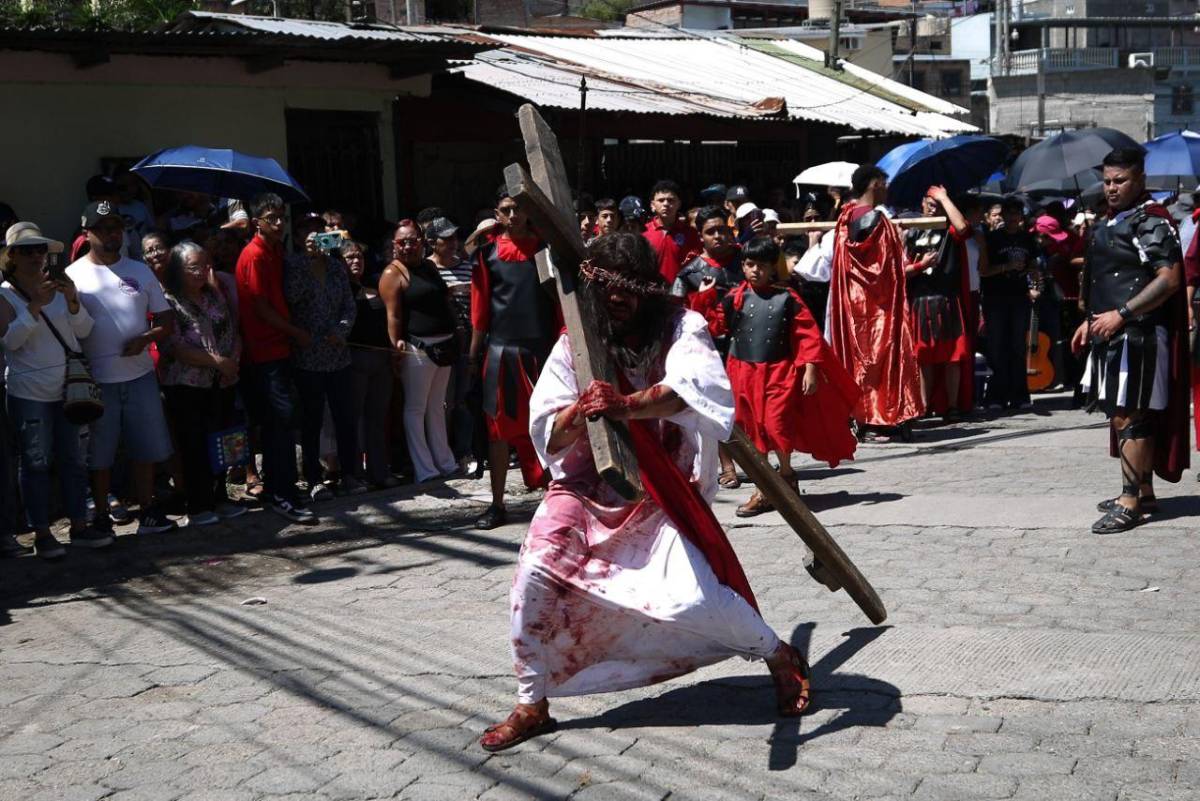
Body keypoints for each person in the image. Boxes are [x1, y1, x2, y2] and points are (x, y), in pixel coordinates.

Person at [479, 232, 811, 753]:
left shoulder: (684, 326)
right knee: (535, 574)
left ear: (651, 291)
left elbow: (693, 391)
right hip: (583, 488)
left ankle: (777, 654)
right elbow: (548, 430)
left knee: (691, 597)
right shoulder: (576, 342)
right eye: (608, 288)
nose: (618, 299)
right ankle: (532, 702)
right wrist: (579, 409)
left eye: (630, 290)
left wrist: (626, 404)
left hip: (660, 493)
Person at [691, 237, 859, 517]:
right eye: (749, 264)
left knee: (777, 424)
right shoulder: (734, 299)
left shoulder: (787, 298)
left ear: (773, 268)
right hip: (742, 372)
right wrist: (704, 297)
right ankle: (766, 487)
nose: (755, 270)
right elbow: (714, 327)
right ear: (743, 266)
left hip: (779, 371)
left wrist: (810, 367)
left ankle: (786, 474)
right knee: (752, 428)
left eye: (762, 265)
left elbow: (807, 335)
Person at [1072, 148, 1190, 534]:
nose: (1111, 188)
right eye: (1106, 181)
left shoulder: (1151, 221)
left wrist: (1122, 314)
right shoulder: (1114, 220)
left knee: (1131, 415)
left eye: (1119, 181)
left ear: (1139, 178)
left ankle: (1129, 503)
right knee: (1127, 413)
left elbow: (1169, 279)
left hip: (1137, 334)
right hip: (1112, 331)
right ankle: (1144, 491)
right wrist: (1089, 321)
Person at [65, 202, 178, 535]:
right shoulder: (74, 275)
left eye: (116, 227)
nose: (112, 234)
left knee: (146, 446)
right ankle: (101, 515)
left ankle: (148, 511)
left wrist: (146, 338)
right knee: (100, 453)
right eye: (103, 229)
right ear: (87, 233)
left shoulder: (140, 270)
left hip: (140, 374)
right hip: (97, 381)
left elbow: (166, 320)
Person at [0, 222, 110, 556]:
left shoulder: (62, 287)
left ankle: (79, 526)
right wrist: (34, 307)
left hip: (67, 389)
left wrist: (72, 299)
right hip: (28, 392)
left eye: (40, 250)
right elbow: (10, 343)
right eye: (27, 251)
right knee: (35, 462)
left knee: (73, 460)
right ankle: (42, 534)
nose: (36, 256)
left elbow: (85, 329)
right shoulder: (4, 293)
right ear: (12, 257)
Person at [469, 190, 557, 529]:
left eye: (519, 208)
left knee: (549, 427)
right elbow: (479, 311)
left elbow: (557, 302)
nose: (514, 214)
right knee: (498, 432)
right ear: (498, 213)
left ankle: (554, 500)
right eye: (507, 209)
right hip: (501, 352)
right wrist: (473, 356)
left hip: (541, 352)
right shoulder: (486, 255)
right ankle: (497, 503)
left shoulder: (544, 250)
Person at [235, 193, 316, 524]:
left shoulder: (277, 251)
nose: (280, 223)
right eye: (272, 218)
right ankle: (280, 493)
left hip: (281, 349)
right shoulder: (254, 255)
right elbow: (261, 308)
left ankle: (281, 488)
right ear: (257, 222)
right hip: (264, 352)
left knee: (282, 422)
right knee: (279, 422)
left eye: (282, 216)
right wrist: (295, 332)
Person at [828, 166, 923, 440]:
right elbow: (881, 268)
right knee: (875, 361)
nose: (887, 187)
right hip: (874, 306)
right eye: (885, 182)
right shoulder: (873, 219)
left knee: (863, 361)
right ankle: (873, 419)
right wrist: (899, 242)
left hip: (853, 303)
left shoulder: (845, 217)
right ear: (875, 184)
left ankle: (866, 416)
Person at [159, 242, 246, 526]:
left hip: (221, 382)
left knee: (223, 441)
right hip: (187, 385)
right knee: (193, 445)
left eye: (205, 265)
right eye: (193, 267)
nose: (201, 272)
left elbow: (232, 329)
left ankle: (221, 496)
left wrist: (232, 360)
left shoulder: (214, 296)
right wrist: (217, 362)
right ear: (178, 270)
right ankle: (199, 504)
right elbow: (175, 347)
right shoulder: (168, 301)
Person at [284, 230, 364, 499]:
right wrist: (308, 262)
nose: (317, 244)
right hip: (308, 356)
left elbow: (348, 306)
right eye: (311, 238)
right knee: (312, 419)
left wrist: (342, 331)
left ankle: (349, 474)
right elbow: (291, 299)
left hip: (338, 354)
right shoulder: (293, 265)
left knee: (345, 416)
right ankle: (314, 478)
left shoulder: (336, 267)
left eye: (322, 238)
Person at [380, 220, 459, 485]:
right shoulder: (393, 274)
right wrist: (395, 347)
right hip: (418, 349)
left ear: (422, 242)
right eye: (402, 242)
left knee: (437, 406)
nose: (408, 246)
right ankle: (425, 468)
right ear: (394, 245)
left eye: (412, 240)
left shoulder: (428, 266)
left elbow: (440, 296)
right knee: (415, 409)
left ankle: (445, 462)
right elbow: (393, 316)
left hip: (444, 345)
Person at [670, 205, 745, 488]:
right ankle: (727, 467)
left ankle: (760, 462)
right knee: (717, 407)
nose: (718, 236)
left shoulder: (746, 259)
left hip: (746, 344)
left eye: (722, 230)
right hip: (709, 348)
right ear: (700, 237)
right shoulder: (690, 272)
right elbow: (674, 311)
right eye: (711, 232)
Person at [902, 187, 974, 420]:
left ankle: (952, 406)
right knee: (923, 360)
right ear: (921, 203)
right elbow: (900, 272)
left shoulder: (949, 228)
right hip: (920, 300)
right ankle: (923, 406)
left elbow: (964, 228)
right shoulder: (911, 232)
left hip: (947, 299)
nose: (933, 204)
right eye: (929, 200)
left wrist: (944, 197)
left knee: (953, 356)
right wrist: (921, 265)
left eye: (937, 201)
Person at [344, 239, 397, 490]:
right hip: (355, 360)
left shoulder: (373, 284)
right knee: (354, 419)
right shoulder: (339, 290)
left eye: (359, 257)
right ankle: (354, 473)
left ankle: (379, 471)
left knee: (377, 419)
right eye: (350, 257)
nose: (356, 261)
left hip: (381, 359)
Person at [426, 217, 477, 469]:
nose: (452, 243)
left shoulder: (468, 267)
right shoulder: (426, 269)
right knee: (441, 401)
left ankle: (465, 451)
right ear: (431, 242)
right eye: (445, 238)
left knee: (464, 397)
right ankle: (441, 454)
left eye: (454, 237)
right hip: (441, 343)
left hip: (469, 341)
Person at [982, 198, 1037, 410]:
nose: (1013, 217)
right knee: (997, 346)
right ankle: (995, 395)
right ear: (1002, 215)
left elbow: (1034, 263)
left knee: (1017, 346)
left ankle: (1020, 395)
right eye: (1009, 213)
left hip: (1019, 296)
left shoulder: (1027, 239)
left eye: (1016, 213)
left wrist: (1032, 272)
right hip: (995, 298)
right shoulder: (992, 238)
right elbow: (985, 271)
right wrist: (1007, 266)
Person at [642, 180, 701, 284]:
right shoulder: (643, 232)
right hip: (650, 295)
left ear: (679, 204)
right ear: (652, 205)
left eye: (671, 200)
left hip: (682, 295)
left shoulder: (691, 233)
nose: (666, 204)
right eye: (661, 200)